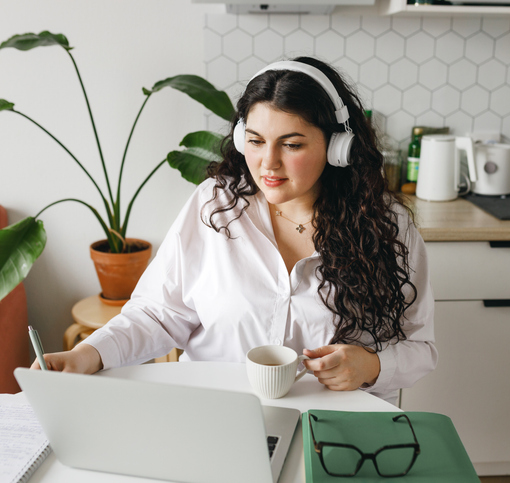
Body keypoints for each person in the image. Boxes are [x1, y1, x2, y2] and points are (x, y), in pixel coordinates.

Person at [32, 56, 437, 405]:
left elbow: (421, 347)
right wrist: (88, 354)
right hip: (217, 417)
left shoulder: (388, 226)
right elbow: (160, 312)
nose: (268, 164)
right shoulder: (216, 205)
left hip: (334, 427)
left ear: (337, 147)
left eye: (292, 145)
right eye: (256, 141)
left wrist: (373, 365)